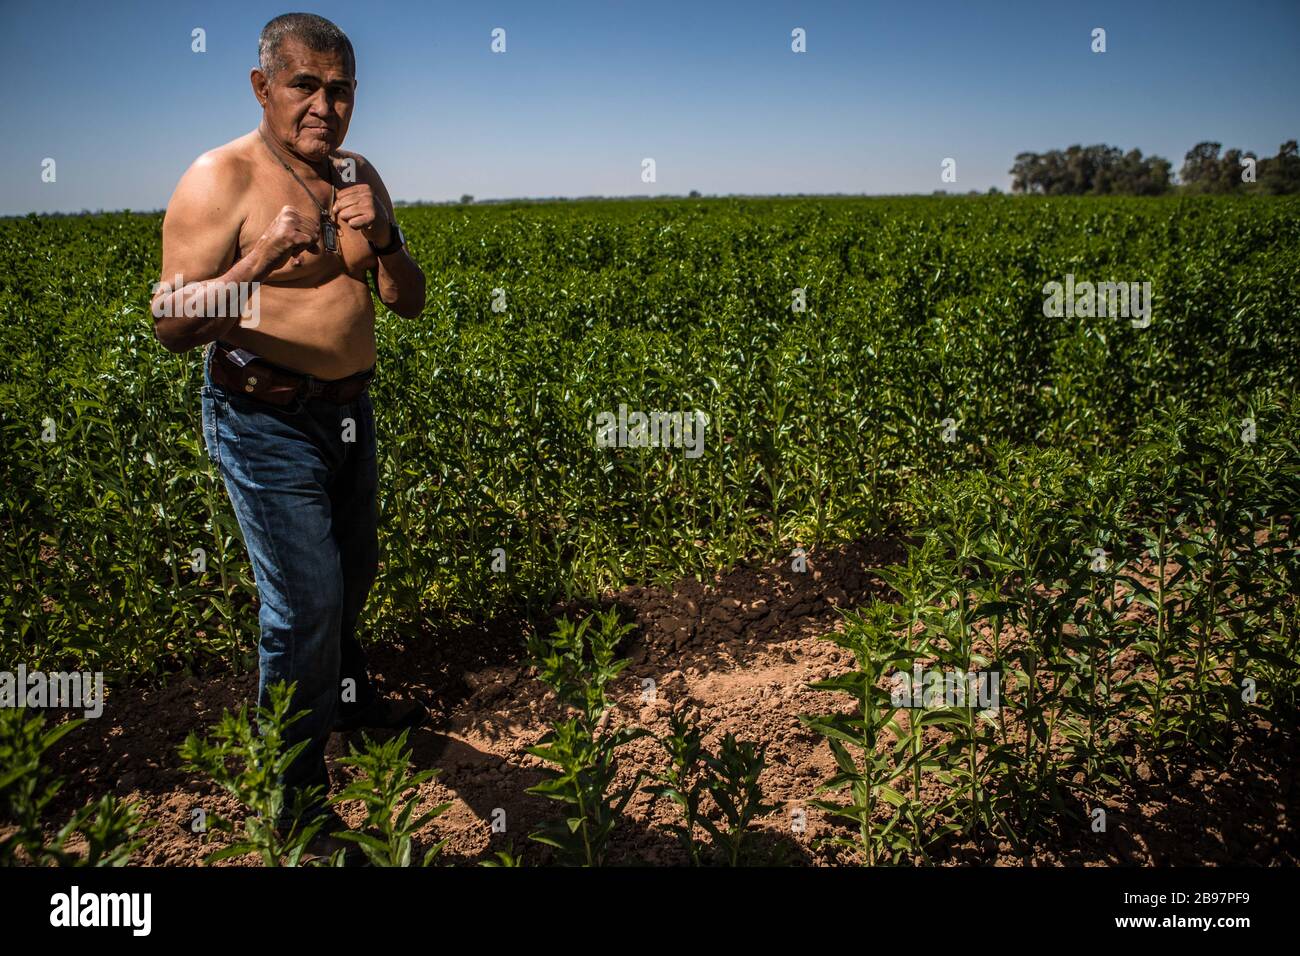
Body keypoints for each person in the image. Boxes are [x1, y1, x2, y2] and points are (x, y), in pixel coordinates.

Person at [150, 13, 428, 854]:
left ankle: (348, 700)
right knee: (303, 605)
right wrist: (257, 260)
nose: (324, 106)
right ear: (262, 86)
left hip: (350, 409)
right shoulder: (219, 177)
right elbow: (170, 322)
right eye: (305, 85)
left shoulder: (356, 173)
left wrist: (381, 235)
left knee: (354, 571)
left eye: (340, 89)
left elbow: (406, 298)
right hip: (263, 416)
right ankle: (295, 801)